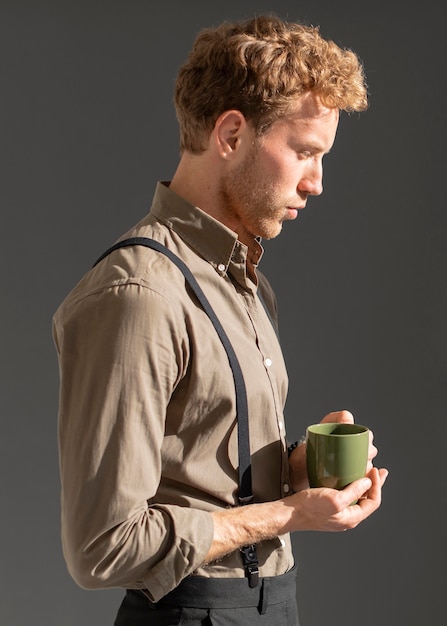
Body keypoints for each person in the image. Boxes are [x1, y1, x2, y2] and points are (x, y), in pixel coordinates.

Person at [53, 14, 388, 626]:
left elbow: (206, 470)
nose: (317, 183)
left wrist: (296, 472)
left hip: (273, 606)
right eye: (305, 152)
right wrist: (289, 515)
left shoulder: (245, 282)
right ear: (231, 133)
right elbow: (102, 547)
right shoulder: (139, 294)